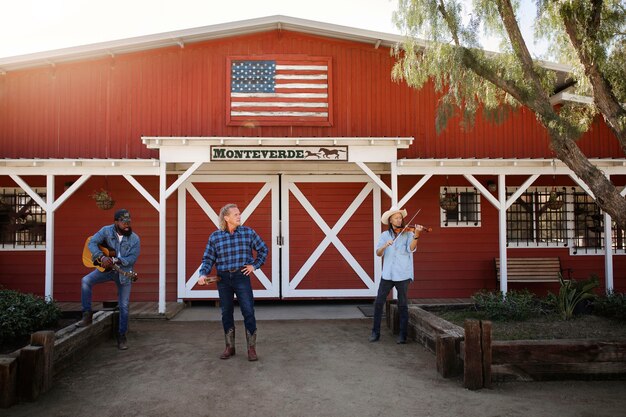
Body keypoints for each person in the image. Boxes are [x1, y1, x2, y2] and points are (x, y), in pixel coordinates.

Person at [198, 203, 268, 361]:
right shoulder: (215, 237)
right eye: (235, 214)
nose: (239, 216)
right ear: (226, 217)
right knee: (226, 313)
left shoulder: (248, 233)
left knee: (248, 311)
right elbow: (208, 259)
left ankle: (251, 348)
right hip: (223, 279)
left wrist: (254, 265)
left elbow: (263, 249)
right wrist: (203, 274)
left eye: (239, 213)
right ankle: (230, 347)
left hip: (241, 277)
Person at [76, 209, 140, 350]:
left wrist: (116, 259)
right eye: (123, 222)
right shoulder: (106, 231)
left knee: (123, 305)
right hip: (105, 270)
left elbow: (131, 259)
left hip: (124, 273)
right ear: (116, 222)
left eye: (128, 222)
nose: (127, 225)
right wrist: (101, 256)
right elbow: (91, 243)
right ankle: (87, 315)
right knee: (86, 281)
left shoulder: (135, 238)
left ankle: (122, 336)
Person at [369, 207, 423, 344]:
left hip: (403, 274)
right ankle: (375, 333)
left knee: (403, 304)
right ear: (390, 220)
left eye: (400, 218)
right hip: (387, 274)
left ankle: (402, 335)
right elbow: (378, 253)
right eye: (396, 218)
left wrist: (416, 234)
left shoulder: (408, 233)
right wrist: (385, 246)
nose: (399, 220)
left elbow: (411, 249)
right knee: (379, 303)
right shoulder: (384, 235)